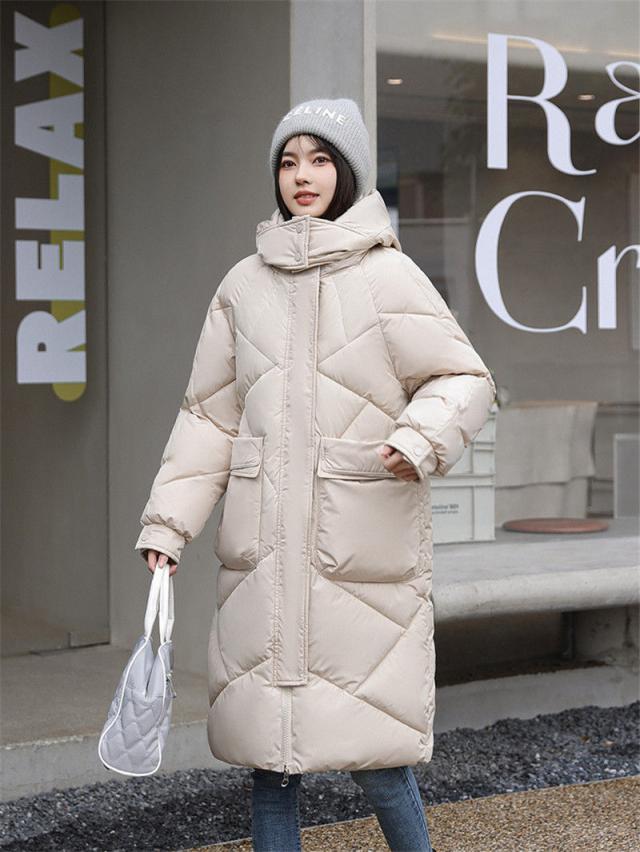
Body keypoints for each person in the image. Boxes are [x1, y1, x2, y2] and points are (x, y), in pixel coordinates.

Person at [135, 97, 495, 851]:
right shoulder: (242, 286)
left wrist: (418, 439)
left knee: (380, 761)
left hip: (358, 558)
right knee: (271, 768)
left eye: (321, 159)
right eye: (289, 161)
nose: (303, 175)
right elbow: (208, 417)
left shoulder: (389, 278)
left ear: (349, 172)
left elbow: (464, 377)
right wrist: (168, 525)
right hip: (264, 564)